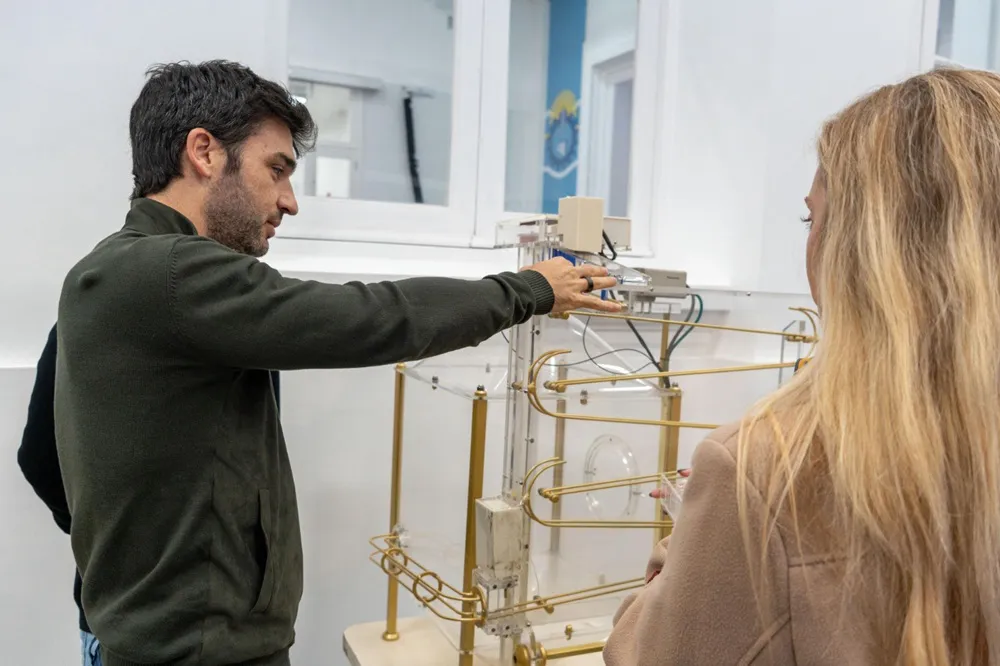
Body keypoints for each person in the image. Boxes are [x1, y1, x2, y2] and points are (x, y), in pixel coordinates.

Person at [52, 59, 617, 666]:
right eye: (276, 170)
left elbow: (45, 449)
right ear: (204, 152)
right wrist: (527, 289)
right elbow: (369, 317)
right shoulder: (168, 274)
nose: (289, 202)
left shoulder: (114, 275)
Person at [604, 67, 1000, 665]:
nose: (809, 242)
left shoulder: (765, 469)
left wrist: (690, 541)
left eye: (811, 219)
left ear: (863, 247)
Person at [17, 325, 280, 666]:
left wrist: (101, 533)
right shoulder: (247, 325)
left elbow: (38, 457)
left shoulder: (89, 318)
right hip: (223, 617)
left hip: (133, 610)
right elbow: (39, 457)